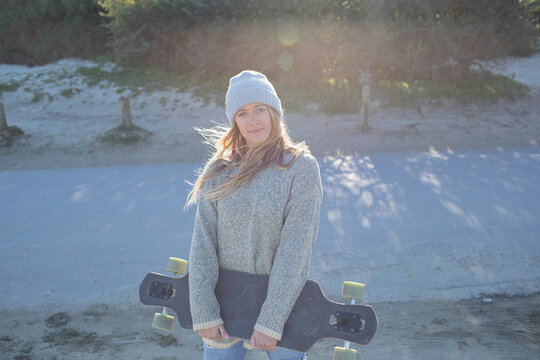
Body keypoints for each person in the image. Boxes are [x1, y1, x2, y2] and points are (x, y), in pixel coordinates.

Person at [185, 70, 323, 360]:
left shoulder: (300, 168)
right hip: (223, 309)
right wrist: (203, 311)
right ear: (235, 121)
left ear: (274, 112)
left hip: (283, 309)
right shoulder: (219, 169)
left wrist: (272, 320)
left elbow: (296, 248)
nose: (253, 120)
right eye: (243, 113)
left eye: (260, 109)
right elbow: (203, 242)